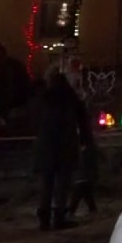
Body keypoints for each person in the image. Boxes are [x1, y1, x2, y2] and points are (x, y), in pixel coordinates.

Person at [33, 72, 92, 231]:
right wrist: (85, 141)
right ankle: (58, 216)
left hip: (46, 147)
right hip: (65, 145)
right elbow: (83, 122)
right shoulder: (70, 99)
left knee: (47, 184)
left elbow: (34, 120)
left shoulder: (44, 100)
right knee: (62, 184)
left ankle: (44, 218)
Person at [68, 139, 99, 218]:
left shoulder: (85, 152)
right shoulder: (87, 151)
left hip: (82, 176)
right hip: (83, 176)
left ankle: (72, 210)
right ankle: (92, 208)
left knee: (80, 191)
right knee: (85, 192)